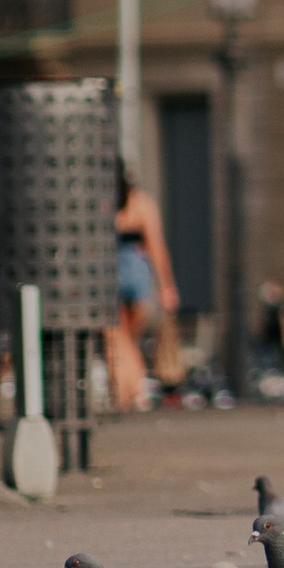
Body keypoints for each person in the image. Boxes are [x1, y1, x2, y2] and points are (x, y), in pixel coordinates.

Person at [106, 170, 178, 413]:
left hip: (112, 271)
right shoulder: (142, 204)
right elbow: (156, 246)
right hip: (137, 272)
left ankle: (124, 392)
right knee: (130, 338)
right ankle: (136, 388)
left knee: (117, 338)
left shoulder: (103, 204)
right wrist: (166, 286)